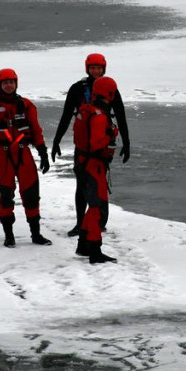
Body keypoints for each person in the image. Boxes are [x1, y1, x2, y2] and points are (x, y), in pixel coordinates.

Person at [51, 52, 131, 236]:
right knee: (82, 185)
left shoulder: (111, 88)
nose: (96, 71)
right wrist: (56, 141)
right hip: (82, 145)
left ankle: (99, 223)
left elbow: (120, 116)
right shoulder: (77, 89)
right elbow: (65, 116)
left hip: (102, 145)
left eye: (99, 68)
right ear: (87, 69)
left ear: (104, 69)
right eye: (93, 68)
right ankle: (80, 223)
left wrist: (126, 143)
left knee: (100, 183)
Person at [0, 68, 52, 248]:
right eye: (5, 82)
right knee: (6, 195)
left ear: (16, 83)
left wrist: (43, 153)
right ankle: (9, 236)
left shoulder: (26, 105)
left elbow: (36, 131)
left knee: (31, 194)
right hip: (2, 156)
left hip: (24, 154)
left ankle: (36, 234)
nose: (9, 85)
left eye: (12, 82)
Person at [72, 75, 120, 264]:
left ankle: (83, 246)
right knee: (96, 208)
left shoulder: (87, 111)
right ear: (109, 93)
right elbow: (96, 143)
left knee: (93, 205)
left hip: (83, 163)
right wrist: (111, 134)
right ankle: (94, 251)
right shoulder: (99, 116)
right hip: (93, 166)